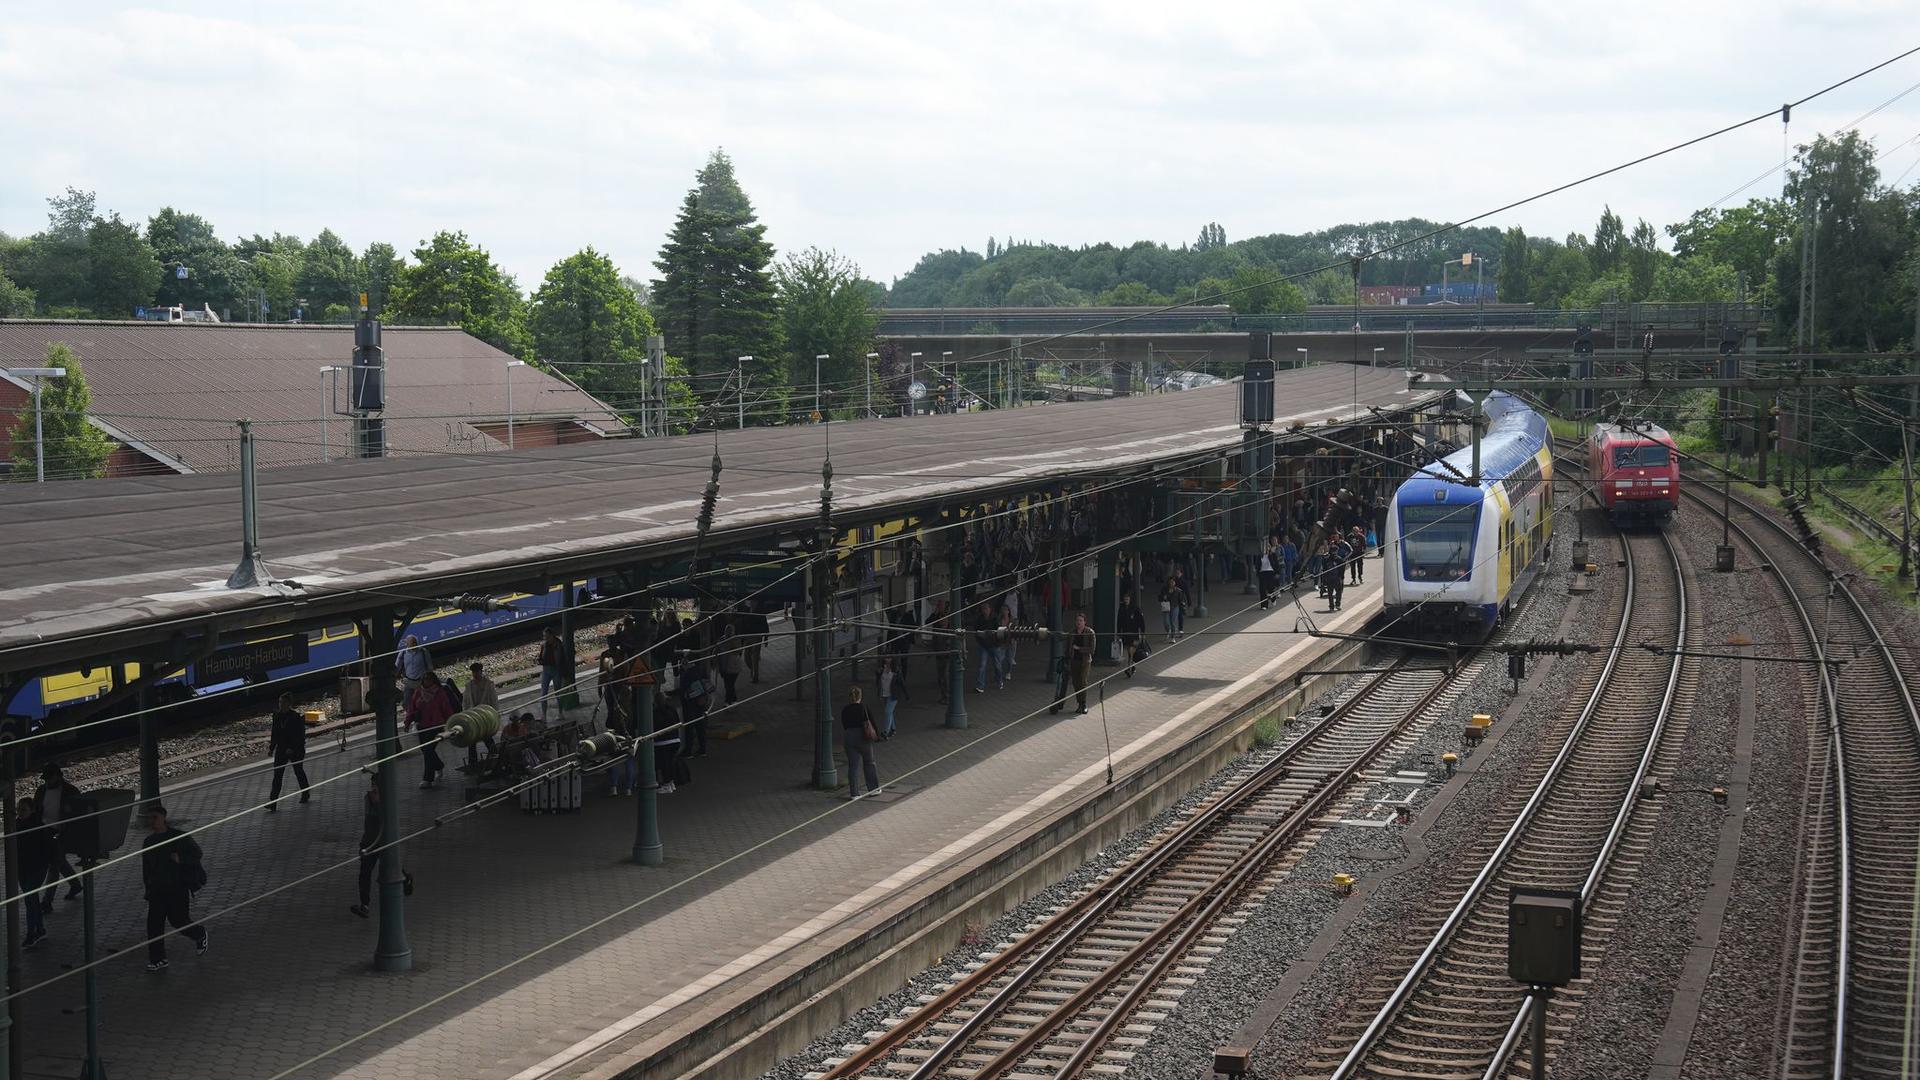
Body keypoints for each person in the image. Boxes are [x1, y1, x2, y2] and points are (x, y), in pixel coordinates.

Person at [139, 802, 207, 972]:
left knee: (179, 921)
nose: (152, 822)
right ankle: (158, 959)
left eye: (155, 818)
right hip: (157, 890)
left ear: (164, 818)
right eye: (149, 819)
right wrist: (148, 888)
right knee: (154, 925)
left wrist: (181, 859)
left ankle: (199, 933)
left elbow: (197, 854)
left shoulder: (179, 837)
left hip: (177, 888)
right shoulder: (148, 842)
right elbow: (146, 869)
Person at [35, 764, 83, 904]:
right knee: (59, 862)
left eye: (50, 779)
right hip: (45, 831)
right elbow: (36, 810)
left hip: (61, 832)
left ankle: (47, 901)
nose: (47, 782)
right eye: (46, 779)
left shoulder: (70, 791)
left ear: (58, 776)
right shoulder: (41, 790)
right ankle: (75, 885)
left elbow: (77, 813)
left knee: (54, 865)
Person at [404, 671, 455, 788]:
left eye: (429, 679)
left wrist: (450, 724)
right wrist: (407, 723)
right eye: (425, 679)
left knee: (428, 750)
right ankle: (439, 765)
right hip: (422, 726)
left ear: (433, 680)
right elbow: (411, 709)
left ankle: (427, 779)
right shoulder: (418, 692)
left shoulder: (439, 693)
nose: (427, 681)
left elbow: (446, 709)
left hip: (435, 726)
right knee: (426, 750)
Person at [16, 797, 55, 949]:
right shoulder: (17, 824)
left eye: (23, 810)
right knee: (31, 899)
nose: (20, 813)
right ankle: (40, 930)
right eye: (18, 809)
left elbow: (47, 849)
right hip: (23, 868)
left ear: (32, 810)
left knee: (29, 899)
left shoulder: (39, 827)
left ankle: (31, 934)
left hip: (36, 868)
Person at [266, 693, 311, 812]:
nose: (281, 705)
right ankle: (273, 801)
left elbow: (300, 736)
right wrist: (271, 748)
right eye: (280, 702)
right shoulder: (277, 716)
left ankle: (305, 793)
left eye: (283, 702)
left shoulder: (296, 717)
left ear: (289, 704)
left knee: (298, 771)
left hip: (295, 750)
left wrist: (293, 748)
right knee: (277, 776)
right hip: (281, 749)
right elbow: (274, 733)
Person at [840, 687, 880, 799]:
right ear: (860, 696)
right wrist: (877, 736)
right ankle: (873, 789)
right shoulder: (863, 707)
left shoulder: (845, 709)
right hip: (862, 736)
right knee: (869, 762)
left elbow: (844, 724)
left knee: (853, 766)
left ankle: (854, 793)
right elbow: (871, 721)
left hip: (849, 737)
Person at [462, 663, 501, 767]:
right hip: (473, 718)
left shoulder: (488, 684)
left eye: (477, 672)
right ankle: (472, 762)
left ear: (481, 672)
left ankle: (496, 757)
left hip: (485, 717)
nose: (475, 674)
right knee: (472, 740)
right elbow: (465, 703)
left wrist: (496, 714)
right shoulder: (469, 686)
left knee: (487, 738)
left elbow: (494, 701)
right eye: (474, 672)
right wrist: (465, 715)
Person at [678, 658, 711, 757]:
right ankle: (702, 749)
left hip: (690, 703)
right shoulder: (701, 670)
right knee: (701, 727)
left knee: (690, 727)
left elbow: (683, 689)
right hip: (702, 701)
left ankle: (688, 751)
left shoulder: (686, 674)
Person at [653, 693, 682, 794]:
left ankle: (666, 784)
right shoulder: (672, 710)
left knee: (664, 764)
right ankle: (671, 783)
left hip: (662, 742)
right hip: (675, 740)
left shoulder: (655, 713)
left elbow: (654, 727)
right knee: (670, 762)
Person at [1067, 612, 1096, 714]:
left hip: (1085, 661)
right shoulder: (1072, 633)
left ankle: (1083, 704)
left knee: (1083, 682)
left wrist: (1079, 648)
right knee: (1076, 683)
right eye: (1077, 620)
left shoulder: (1090, 633)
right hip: (1074, 661)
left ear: (1085, 622)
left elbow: (1092, 650)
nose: (1078, 622)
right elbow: (1068, 647)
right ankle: (1079, 703)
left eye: (1081, 621)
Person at [537, 628, 567, 720]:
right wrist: (540, 660)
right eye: (544, 636)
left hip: (556, 670)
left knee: (557, 692)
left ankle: (560, 713)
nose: (544, 638)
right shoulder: (544, 645)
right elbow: (541, 656)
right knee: (543, 693)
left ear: (551, 636)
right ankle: (544, 715)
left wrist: (564, 673)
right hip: (546, 670)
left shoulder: (559, 645)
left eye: (546, 636)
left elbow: (561, 660)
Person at [1117, 593, 1147, 678]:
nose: (1126, 601)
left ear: (1130, 599)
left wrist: (1143, 632)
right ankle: (1132, 666)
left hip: (1134, 633)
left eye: (1127, 599)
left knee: (1131, 650)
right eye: (1125, 599)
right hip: (1125, 633)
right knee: (1129, 651)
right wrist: (1119, 632)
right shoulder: (1121, 608)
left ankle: (1129, 667)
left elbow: (1141, 621)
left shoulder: (1135, 608)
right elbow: (1119, 620)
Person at [876, 657, 907, 738]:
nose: (887, 660)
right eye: (886, 658)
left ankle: (885, 731)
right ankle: (893, 729)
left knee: (887, 712)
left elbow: (902, 683)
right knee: (889, 712)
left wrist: (906, 694)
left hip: (893, 695)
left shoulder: (896, 672)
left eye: (889, 658)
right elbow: (878, 682)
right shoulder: (881, 670)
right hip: (883, 695)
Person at [716, 622, 743, 705]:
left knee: (729, 685)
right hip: (724, 666)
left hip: (733, 667)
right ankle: (733, 700)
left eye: (729, 631)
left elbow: (738, 651)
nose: (727, 632)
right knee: (728, 685)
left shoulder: (736, 639)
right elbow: (718, 651)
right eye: (726, 630)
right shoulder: (721, 639)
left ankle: (728, 701)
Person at [1158, 577, 1187, 642]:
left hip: (1175, 607)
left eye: (1173, 582)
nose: (1171, 583)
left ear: (1175, 583)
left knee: (1172, 622)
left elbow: (1181, 601)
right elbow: (1159, 598)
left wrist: (1183, 609)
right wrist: (1163, 597)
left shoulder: (1178, 591)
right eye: (1170, 582)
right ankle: (1169, 630)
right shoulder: (1164, 589)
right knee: (1165, 622)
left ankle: (1173, 637)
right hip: (1166, 607)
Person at [1256, 541, 1279, 609]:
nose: (1265, 549)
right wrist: (1257, 572)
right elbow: (1257, 564)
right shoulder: (1259, 555)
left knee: (1270, 588)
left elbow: (1276, 564)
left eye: (1267, 547)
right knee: (1262, 589)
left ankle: (1273, 599)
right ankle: (1264, 605)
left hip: (1270, 572)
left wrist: (1277, 573)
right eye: (1264, 547)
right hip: (1262, 573)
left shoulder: (1273, 555)